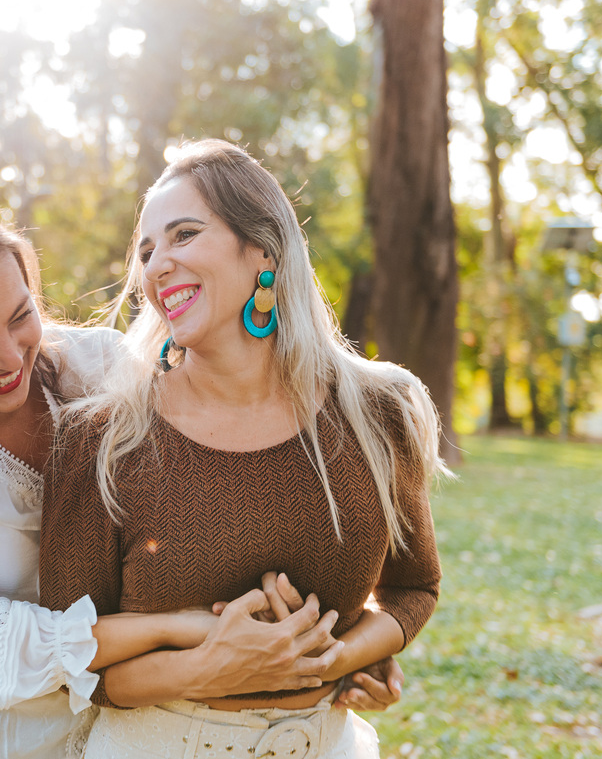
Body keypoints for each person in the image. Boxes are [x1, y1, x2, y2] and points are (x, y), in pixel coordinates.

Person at [0, 187, 407, 759]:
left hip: (141, 725)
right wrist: (180, 629)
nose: (9, 358)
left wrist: (342, 644)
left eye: (21, 316)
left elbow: (208, 522)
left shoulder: (103, 367)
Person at [40, 140, 445, 758]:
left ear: (263, 249)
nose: (157, 265)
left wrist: (332, 658)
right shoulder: (101, 439)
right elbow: (72, 652)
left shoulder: (378, 413)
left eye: (184, 235)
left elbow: (414, 589)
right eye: (146, 252)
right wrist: (208, 667)